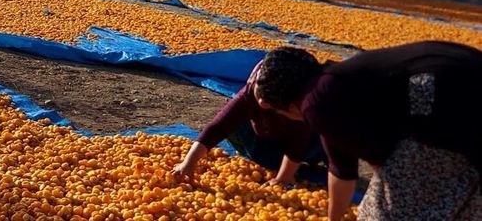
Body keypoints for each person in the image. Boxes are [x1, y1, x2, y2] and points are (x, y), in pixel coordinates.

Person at [253, 41, 482, 221]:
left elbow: (345, 172)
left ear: (288, 103)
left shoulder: (315, 102)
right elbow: (344, 165)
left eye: (279, 112)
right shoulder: (334, 84)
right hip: (462, 82)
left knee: (390, 209)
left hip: (446, 99)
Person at [172, 54, 326, 185]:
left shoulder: (303, 106)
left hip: (309, 142)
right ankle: (277, 160)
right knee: (236, 126)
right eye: (259, 93)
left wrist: (283, 178)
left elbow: (298, 143)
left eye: (268, 101)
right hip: (269, 135)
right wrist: (188, 162)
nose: (262, 102)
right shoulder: (251, 94)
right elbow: (217, 127)